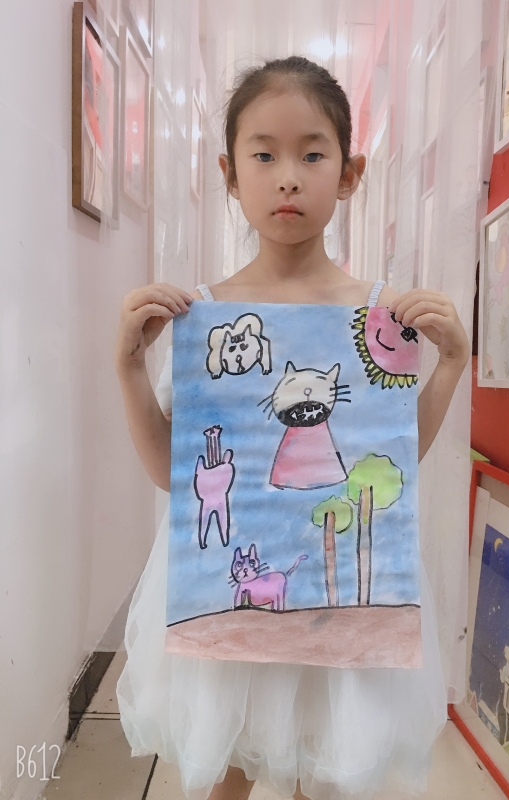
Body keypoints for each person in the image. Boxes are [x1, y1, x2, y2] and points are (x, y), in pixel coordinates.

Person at [115, 56, 471, 800]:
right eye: (264, 155)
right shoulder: (205, 316)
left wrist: (449, 366)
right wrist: (128, 368)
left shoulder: (379, 317)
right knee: (226, 765)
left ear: (349, 174)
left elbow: (393, 461)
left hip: (331, 599)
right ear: (229, 173)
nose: (288, 178)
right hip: (226, 583)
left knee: (323, 764)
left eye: (312, 154)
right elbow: (172, 474)